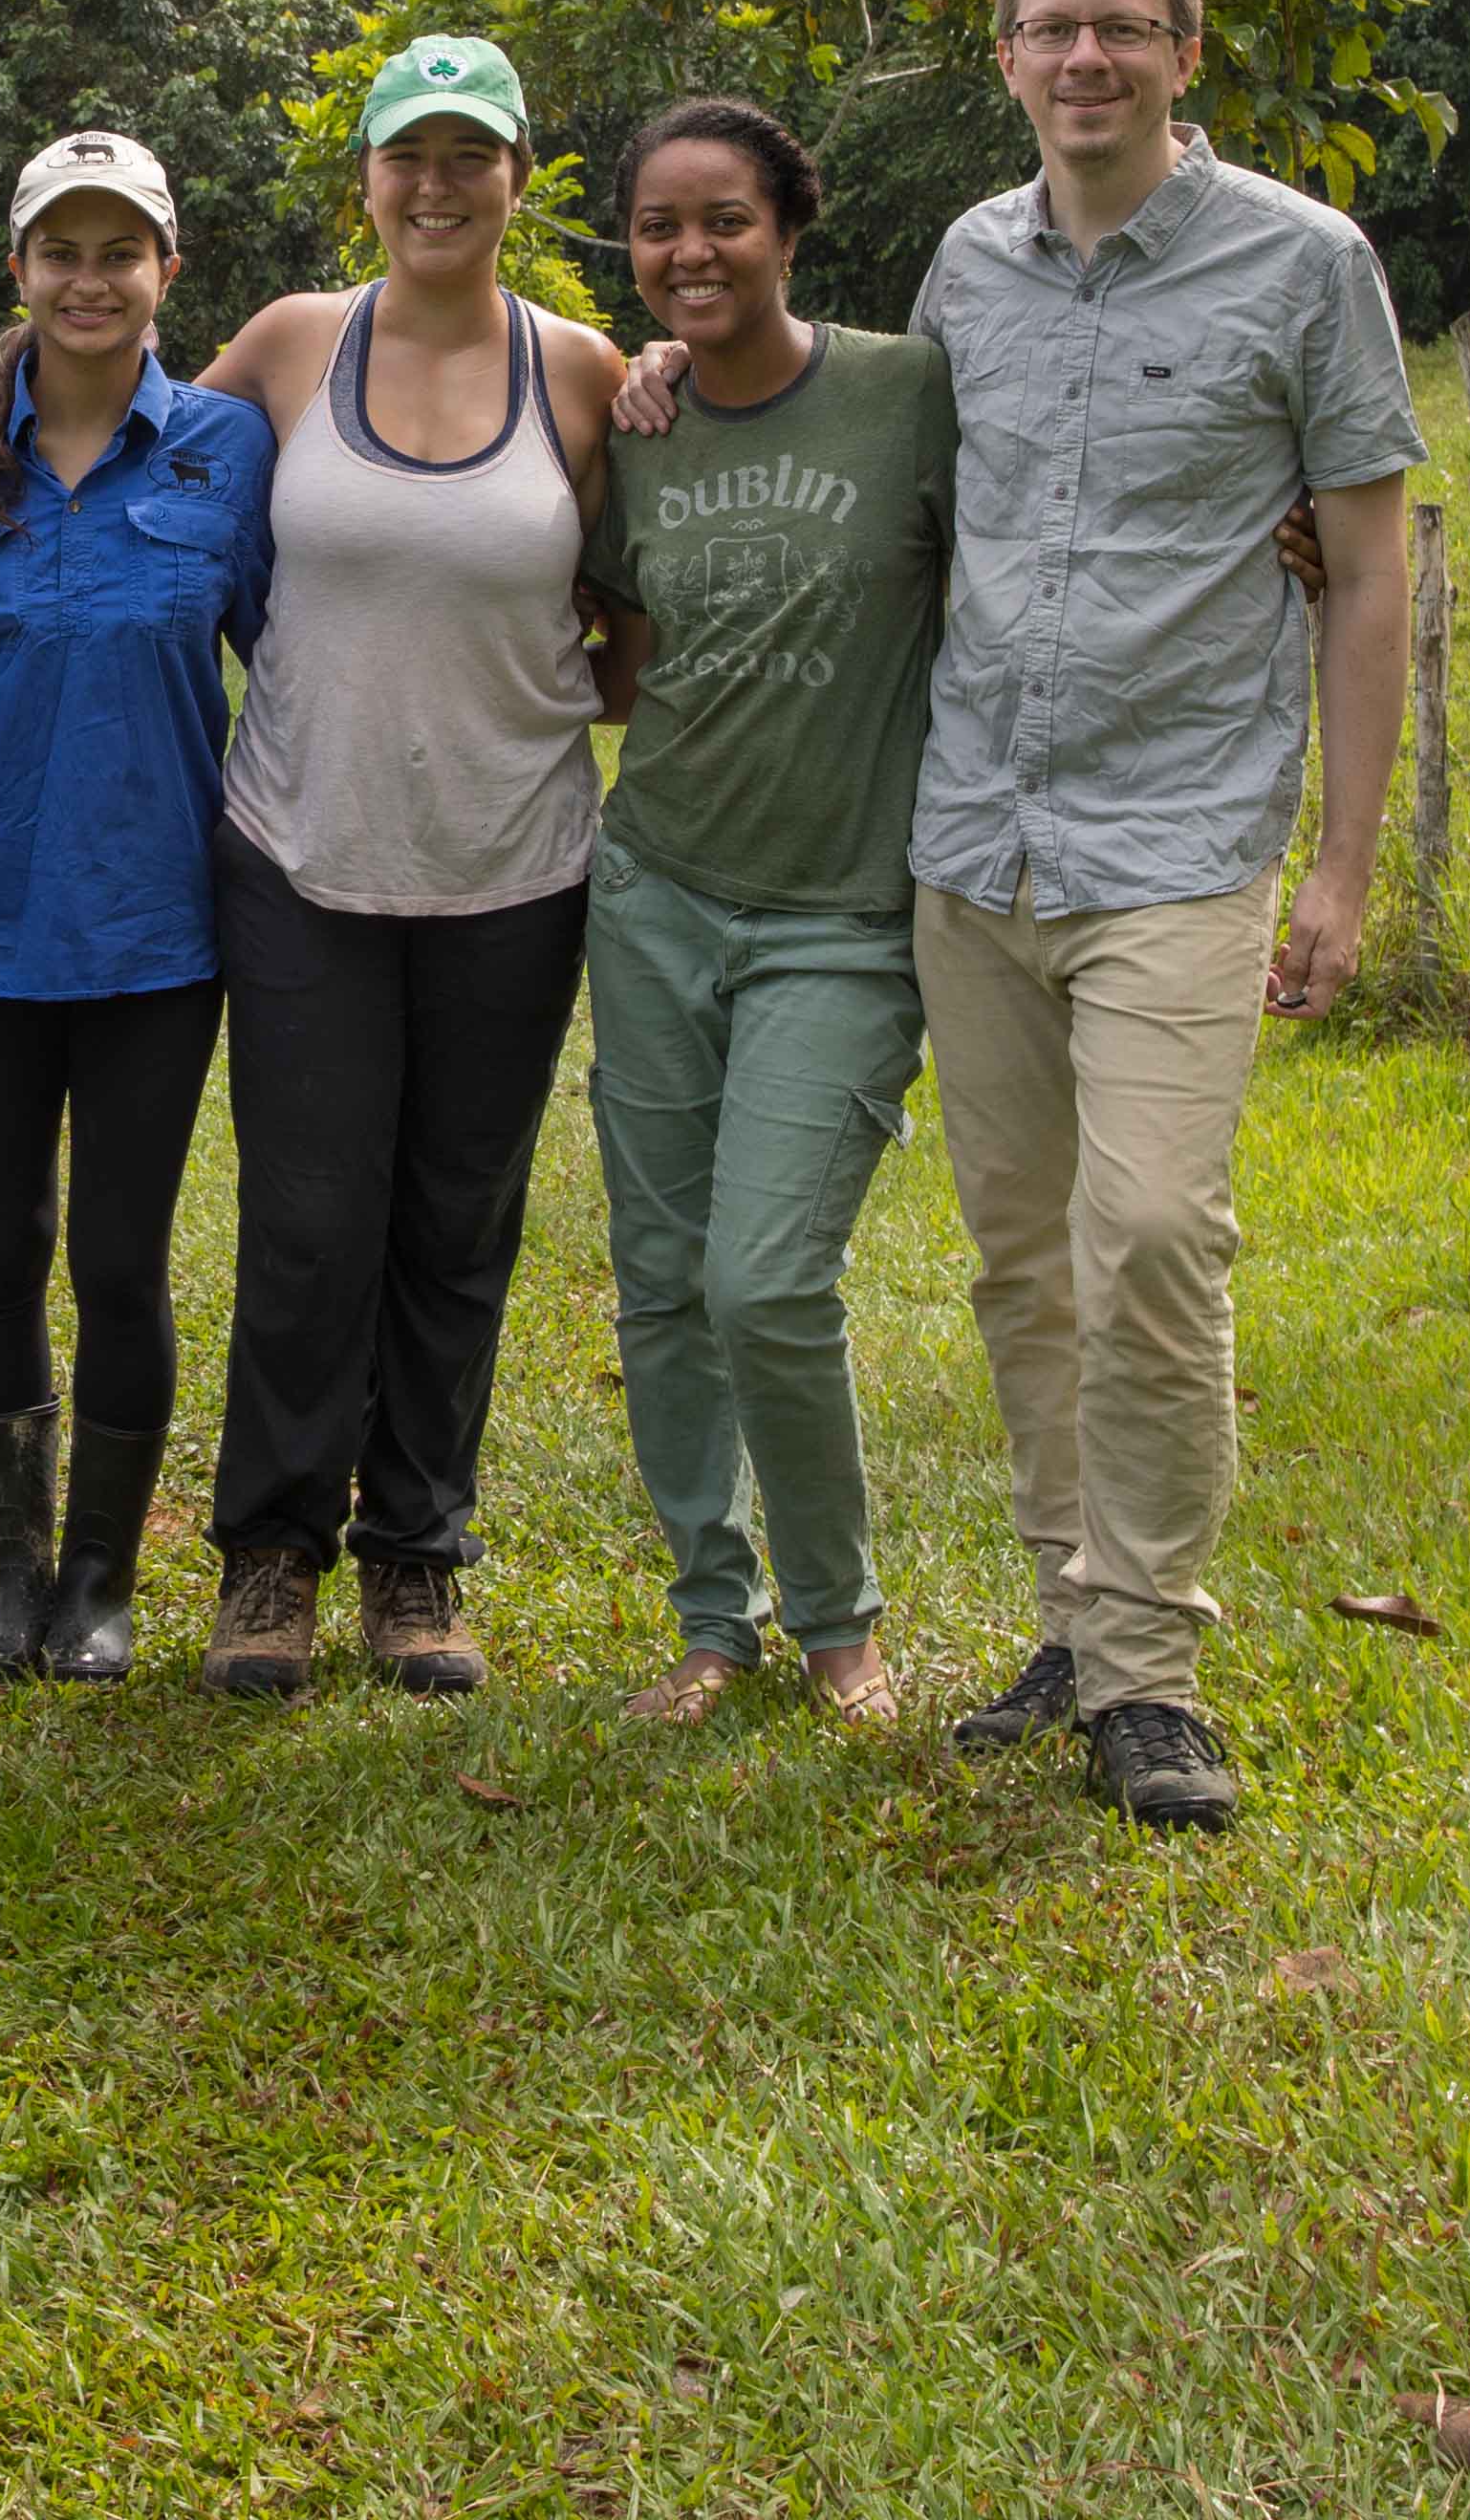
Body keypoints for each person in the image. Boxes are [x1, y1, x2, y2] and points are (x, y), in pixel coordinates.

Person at [901, 0, 1420, 1834]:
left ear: (1187, 55)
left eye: (1124, 26)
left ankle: (1154, 1667)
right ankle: (1074, 1622)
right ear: (1012, 54)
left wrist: (1342, 872)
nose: (1087, 57)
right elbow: (919, 508)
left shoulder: (1305, 263)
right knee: (1026, 1257)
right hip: (975, 836)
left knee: (1152, 1240)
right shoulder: (966, 263)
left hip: (1185, 838)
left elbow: (1368, 568)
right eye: (1053, 27)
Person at [183, 32, 631, 1700]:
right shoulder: (296, 344)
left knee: (458, 1219)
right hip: (302, 852)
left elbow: (642, 614)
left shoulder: (584, 373)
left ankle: (419, 1560)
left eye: (471, 156)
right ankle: (272, 1559)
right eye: (407, 156)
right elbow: (134, 471)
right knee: (308, 1219)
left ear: (519, 176)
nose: (436, 186)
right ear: (365, 177)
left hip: (515, 867)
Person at [568, 96, 956, 1732]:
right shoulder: (635, 426)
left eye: (724, 219)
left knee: (767, 1281)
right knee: (660, 1274)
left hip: (845, 915)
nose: (690, 252)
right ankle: (712, 1620)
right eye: (659, 227)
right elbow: (620, 651)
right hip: (654, 890)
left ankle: (839, 1623)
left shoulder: (907, 391)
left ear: (791, 228)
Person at [0, 129, 270, 1684]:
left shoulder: (230, 452)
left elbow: (298, 652)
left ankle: (105, 1579)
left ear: (166, 274)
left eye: (122, 250)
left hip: (158, 929)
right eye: (63, 248)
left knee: (122, 1257)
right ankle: (14, 1574)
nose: (90, 278)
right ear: (20, 269)